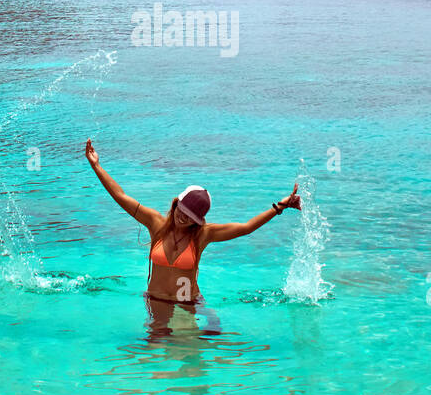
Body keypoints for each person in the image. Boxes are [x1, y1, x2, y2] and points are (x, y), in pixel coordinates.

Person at [84, 138, 301, 328]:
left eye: (191, 217)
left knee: (191, 362)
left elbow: (246, 227)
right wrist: (97, 166)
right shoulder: (155, 224)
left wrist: (279, 207)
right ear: (177, 202)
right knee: (152, 359)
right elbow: (120, 196)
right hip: (155, 301)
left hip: (187, 303)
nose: (184, 218)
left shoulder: (202, 235)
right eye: (183, 210)